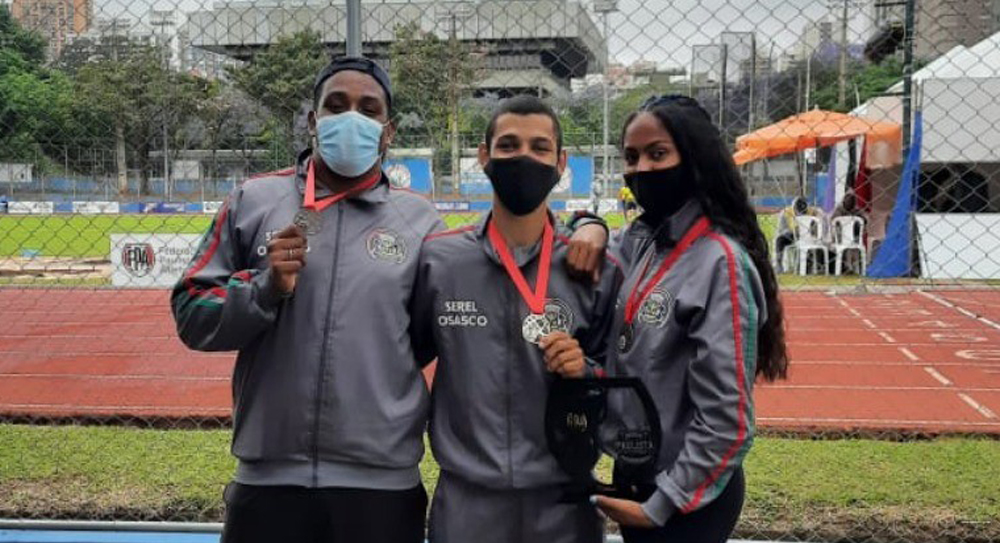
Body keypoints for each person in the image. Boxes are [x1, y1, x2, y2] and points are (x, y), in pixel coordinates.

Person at [171, 57, 441, 543]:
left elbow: (422, 341)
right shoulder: (253, 201)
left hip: (382, 486)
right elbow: (192, 310)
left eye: (368, 108)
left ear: (388, 131)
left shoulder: (420, 223)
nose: (351, 118)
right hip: (268, 480)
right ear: (314, 122)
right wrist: (264, 288)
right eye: (336, 106)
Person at [410, 95, 623, 543]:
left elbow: (625, 381)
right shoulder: (440, 262)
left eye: (539, 148)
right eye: (508, 146)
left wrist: (585, 370)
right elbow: (400, 359)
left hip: (563, 505)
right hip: (467, 503)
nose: (523, 157)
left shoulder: (594, 269)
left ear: (561, 162)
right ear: (483, 157)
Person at [587, 95, 789, 543]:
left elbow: (728, 420)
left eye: (658, 154)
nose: (641, 169)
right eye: (632, 157)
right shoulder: (644, 242)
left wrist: (662, 504)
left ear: (694, 159)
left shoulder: (719, 262)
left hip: (684, 500)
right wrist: (590, 222)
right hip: (635, 476)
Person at [773, 196, 822, 273]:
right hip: (791, 235)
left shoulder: (813, 212)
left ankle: (811, 265)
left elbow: (819, 225)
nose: (800, 215)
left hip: (808, 235)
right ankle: (778, 264)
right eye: (798, 213)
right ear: (794, 208)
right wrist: (793, 231)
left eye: (803, 212)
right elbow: (781, 230)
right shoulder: (786, 213)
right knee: (779, 240)